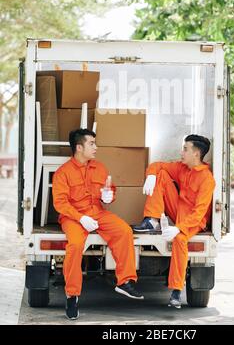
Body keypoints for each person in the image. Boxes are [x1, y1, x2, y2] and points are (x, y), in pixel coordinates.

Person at [53, 128, 144, 320]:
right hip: (73, 217)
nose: (96, 147)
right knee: (76, 245)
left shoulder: (100, 168)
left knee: (124, 231)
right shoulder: (63, 173)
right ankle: (72, 295)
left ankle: (124, 281)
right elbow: (60, 203)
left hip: (97, 212)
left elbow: (109, 190)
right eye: (91, 144)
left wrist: (108, 196)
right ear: (79, 147)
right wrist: (80, 218)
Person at [133, 134, 215, 309]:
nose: (181, 152)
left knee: (180, 240)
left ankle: (176, 290)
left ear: (196, 153)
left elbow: (199, 213)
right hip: (177, 211)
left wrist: (179, 228)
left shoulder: (207, 179)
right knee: (161, 174)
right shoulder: (182, 168)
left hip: (193, 221)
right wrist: (151, 176)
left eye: (185, 149)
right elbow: (157, 165)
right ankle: (152, 220)